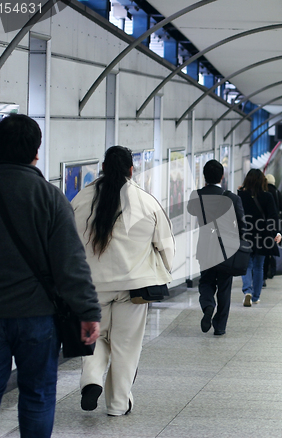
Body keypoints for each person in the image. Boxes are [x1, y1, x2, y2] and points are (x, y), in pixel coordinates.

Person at [0, 114, 101, 438]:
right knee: (37, 396)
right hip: (38, 317)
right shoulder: (50, 198)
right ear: (36, 152)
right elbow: (71, 263)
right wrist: (88, 312)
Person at [71, 146, 175, 416]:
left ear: (103, 168)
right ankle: (118, 404)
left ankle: (91, 380)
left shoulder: (81, 198)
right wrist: (166, 269)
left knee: (96, 336)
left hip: (92, 286)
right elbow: (165, 244)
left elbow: (67, 241)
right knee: (126, 345)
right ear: (132, 169)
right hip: (134, 287)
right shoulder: (145, 201)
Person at [187, 159, 247, 335]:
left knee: (205, 281)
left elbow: (192, 211)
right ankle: (219, 326)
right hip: (226, 249)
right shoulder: (232, 198)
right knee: (224, 286)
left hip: (205, 248)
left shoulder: (196, 196)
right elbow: (242, 225)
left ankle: (208, 305)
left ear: (204, 176)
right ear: (222, 176)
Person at [238, 169, 282, 306]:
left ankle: (247, 291)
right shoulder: (267, 196)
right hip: (262, 236)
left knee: (246, 265)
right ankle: (256, 296)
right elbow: (273, 217)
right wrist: (276, 233)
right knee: (259, 266)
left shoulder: (241, 196)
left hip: (246, 234)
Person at [264, 174, 282, 283]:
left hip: (263, 225)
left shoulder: (263, 193)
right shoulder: (277, 192)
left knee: (264, 251)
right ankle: (271, 270)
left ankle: (264, 274)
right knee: (272, 249)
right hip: (274, 225)